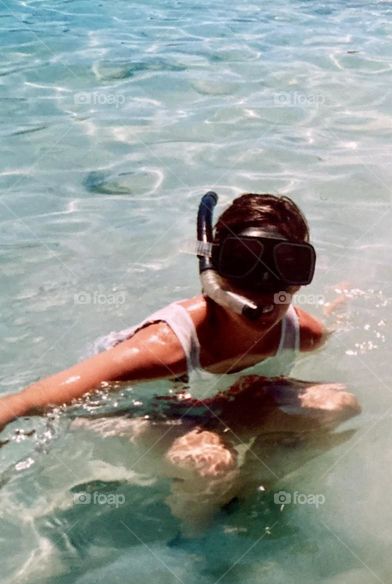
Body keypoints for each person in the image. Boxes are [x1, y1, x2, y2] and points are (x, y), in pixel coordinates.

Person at [0, 192, 360, 479]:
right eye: (242, 263)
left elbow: (328, 334)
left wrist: (338, 309)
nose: (262, 290)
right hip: (126, 415)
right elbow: (21, 403)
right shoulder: (165, 347)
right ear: (213, 271)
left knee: (338, 404)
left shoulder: (304, 333)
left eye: (286, 267)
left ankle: (248, 493)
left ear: (298, 280)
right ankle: (199, 546)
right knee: (210, 464)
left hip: (211, 409)